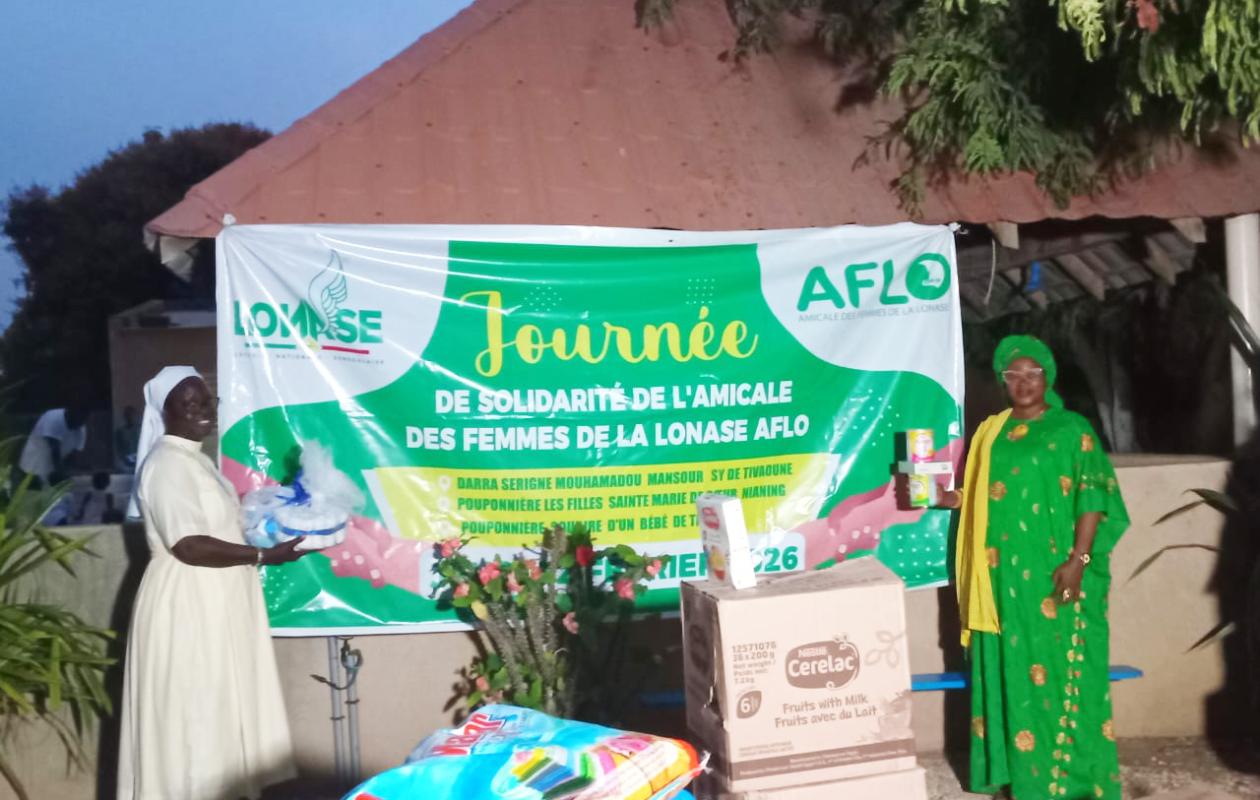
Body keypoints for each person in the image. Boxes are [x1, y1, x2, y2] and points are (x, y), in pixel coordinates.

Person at [937, 335, 1130, 800]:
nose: (1023, 382)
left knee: (1065, 672)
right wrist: (948, 499)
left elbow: (1094, 498)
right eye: (1012, 374)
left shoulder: (1072, 430)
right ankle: (1019, 781)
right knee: (1010, 673)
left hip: (1055, 574)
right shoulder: (991, 432)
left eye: (1032, 373)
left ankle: (1073, 784)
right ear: (1003, 382)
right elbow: (983, 497)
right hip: (1000, 582)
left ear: (1047, 377)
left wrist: (1078, 561)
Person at [117, 366, 307, 800]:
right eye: (190, 403)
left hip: (213, 603)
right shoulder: (166, 465)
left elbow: (220, 529)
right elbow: (189, 546)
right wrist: (262, 556)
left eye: (207, 401)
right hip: (186, 606)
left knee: (218, 711)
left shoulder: (195, 462)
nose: (203, 410)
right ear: (165, 412)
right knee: (195, 713)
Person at [17, 405, 89, 488]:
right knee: (31, 489)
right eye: (76, 421)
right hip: (33, 464)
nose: (78, 426)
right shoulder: (53, 419)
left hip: (53, 468)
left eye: (82, 422)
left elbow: (74, 455)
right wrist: (61, 476)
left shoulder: (80, 428)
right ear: (70, 414)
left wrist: (66, 473)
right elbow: (54, 452)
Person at [115, 405, 141, 471]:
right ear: (125, 417)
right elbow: (118, 450)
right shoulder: (120, 432)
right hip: (125, 465)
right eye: (128, 415)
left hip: (140, 461)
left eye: (132, 415)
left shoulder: (141, 431)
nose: (130, 417)